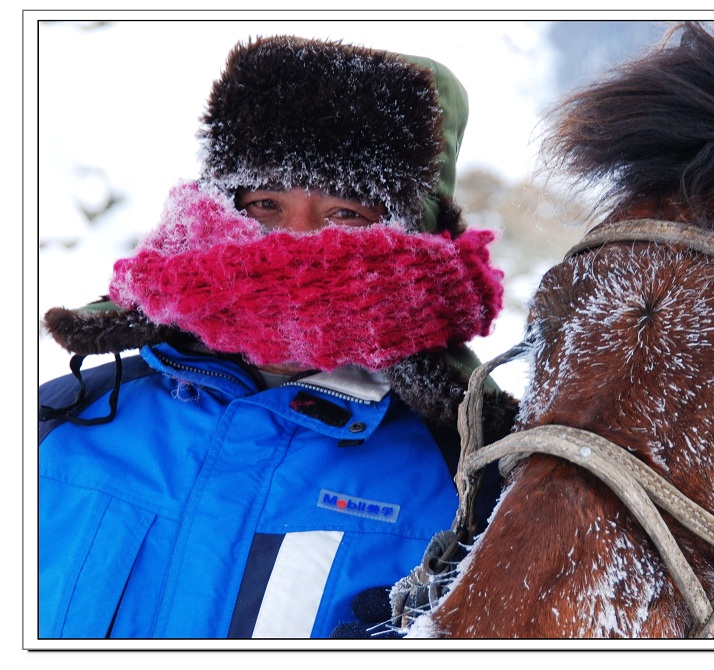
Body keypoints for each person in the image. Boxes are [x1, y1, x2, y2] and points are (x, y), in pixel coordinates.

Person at [38, 35, 516, 639]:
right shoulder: (63, 422)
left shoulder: (477, 493)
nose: (293, 242)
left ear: (414, 238)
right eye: (264, 203)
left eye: (346, 214)